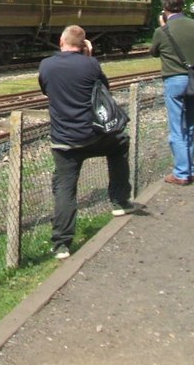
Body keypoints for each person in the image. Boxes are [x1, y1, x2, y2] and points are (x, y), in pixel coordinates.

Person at [38, 25, 132, 259]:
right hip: (94, 136)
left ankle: (61, 244)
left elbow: (46, 90)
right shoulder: (90, 64)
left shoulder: (46, 65)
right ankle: (119, 201)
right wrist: (89, 57)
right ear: (83, 45)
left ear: (61, 40)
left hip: (64, 141)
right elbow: (103, 89)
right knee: (120, 143)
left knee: (65, 188)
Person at [149, 0, 194, 185]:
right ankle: (188, 168)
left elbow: (154, 52)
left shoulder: (161, 31)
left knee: (177, 129)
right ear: (183, 4)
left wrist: (162, 26)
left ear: (164, 6)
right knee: (189, 127)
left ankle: (181, 173)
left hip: (174, 80)